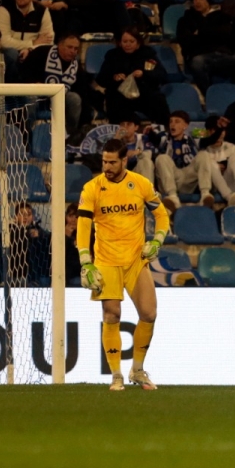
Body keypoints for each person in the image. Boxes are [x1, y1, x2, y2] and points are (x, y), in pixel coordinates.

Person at [76, 138, 170, 391]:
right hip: (106, 261)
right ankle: (116, 375)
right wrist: (86, 261)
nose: (106, 166)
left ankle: (137, 371)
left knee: (149, 313)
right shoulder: (92, 188)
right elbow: (83, 226)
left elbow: (161, 214)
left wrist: (157, 241)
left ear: (123, 160)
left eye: (111, 162)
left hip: (136, 260)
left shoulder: (140, 184)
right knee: (111, 314)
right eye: (104, 161)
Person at [177, 0, 235, 90]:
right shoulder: (186, 20)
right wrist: (214, 34)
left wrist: (200, 32)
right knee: (197, 63)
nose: (197, 1)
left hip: (223, 55)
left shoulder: (222, 17)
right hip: (200, 56)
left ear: (208, 0)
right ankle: (208, 95)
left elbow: (227, 35)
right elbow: (186, 41)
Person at [95, 27, 170, 124]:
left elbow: (162, 75)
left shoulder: (147, 54)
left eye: (131, 41)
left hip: (144, 95)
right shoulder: (112, 55)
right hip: (120, 95)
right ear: (120, 43)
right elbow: (101, 79)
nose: (128, 44)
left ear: (138, 43)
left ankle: (163, 131)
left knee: (158, 100)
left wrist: (144, 74)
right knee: (114, 102)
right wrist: (114, 77)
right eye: (125, 41)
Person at [152, 110, 219, 211]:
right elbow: (154, 138)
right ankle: (173, 198)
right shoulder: (165, 136)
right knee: (162, 158)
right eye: (171, 121)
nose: (173, 124)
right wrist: (149, 132)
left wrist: (220, 128)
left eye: (177, 121)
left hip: (188, 178)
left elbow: (210, 139)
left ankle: (205, 194)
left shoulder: (193, 134)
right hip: (171, 178)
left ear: (185, 125)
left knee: (204, 154)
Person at [19, 32, 84, 134]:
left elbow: (80, 86)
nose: (73, 51)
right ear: (59, 45)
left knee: (75, 98)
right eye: (70, 47)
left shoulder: (75, 64)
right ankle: (26, 134)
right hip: (37, 92)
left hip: (62, 95)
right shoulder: (41, 52)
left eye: (76, 49)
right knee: (30, 96)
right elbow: (24, 73)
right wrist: (34, 83)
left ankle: (70, 135)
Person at [0, 0, 54, 78]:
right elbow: (3, 41)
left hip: (33, 52)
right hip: (10, 53)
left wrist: (30, 49)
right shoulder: (4, 10)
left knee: (44, 54)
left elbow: (48, 41)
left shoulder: (42, 11)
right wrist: (33, 42)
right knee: (11, 53)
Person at [198, 116, 235, 207]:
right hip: (213, 186)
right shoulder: (203, 147)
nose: (220, 135)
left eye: (222, 131)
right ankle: (228, 196)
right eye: (214, 131)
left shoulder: (231, 147)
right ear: (208, 132)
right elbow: (192, 133)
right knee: (210, 162)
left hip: (231, 182)